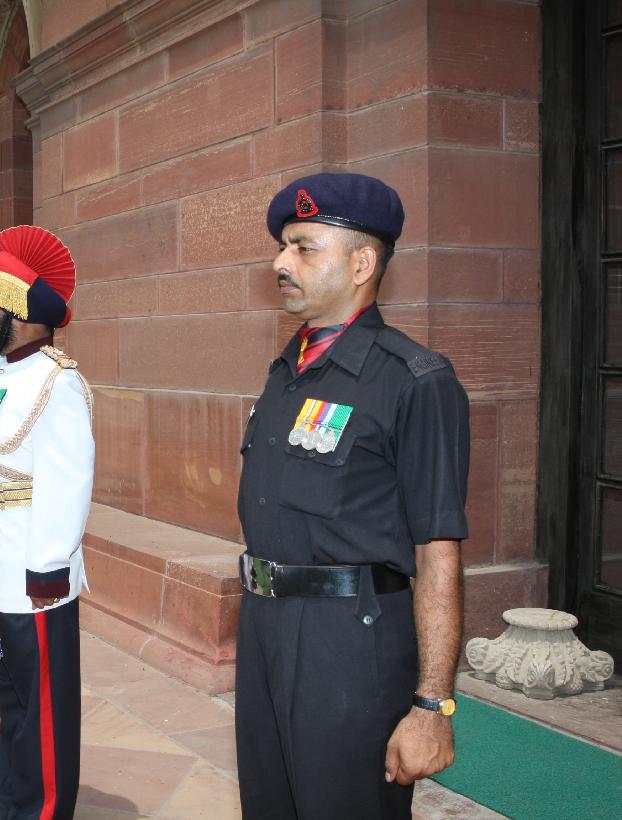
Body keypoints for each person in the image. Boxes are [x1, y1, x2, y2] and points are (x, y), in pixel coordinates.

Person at [234, 173, 469, 819]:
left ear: (362, 264)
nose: (281, 262)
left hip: (348, 644)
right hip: (264, 628)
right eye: (283, 246)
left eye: (304, 247)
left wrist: (432, 707)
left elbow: (438, 552)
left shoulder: (415, 381)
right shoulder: (287, 371)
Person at [0, 225, 94, 819]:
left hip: (34, 579)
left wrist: (48, 571)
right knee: (13, 701)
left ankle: (44, 810)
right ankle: (12, 805)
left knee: (43, 711)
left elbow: (67, 485)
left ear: (22, 308)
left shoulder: (59, 382)